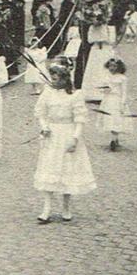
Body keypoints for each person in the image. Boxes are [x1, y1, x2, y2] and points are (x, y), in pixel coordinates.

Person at [33, 63, 97, 223]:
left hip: (68, 133)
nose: (53, 81)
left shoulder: (75, 95)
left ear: (64, 78)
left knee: (67, 169)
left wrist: (75, 138)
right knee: (49, 168)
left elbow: (80, 119)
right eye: (52, 78)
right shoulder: (48, 92)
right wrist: (44, 127)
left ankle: (66, 207)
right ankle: (46, 209)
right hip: (52, 135)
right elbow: (40, 112)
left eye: (56, 78)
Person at [97, 58, 131, 152]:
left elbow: (124, 91)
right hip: (108, 100)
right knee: (109, 119)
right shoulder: (105, 77)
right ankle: (114, 138)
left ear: (119, 67)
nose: (112, 68)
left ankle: (114, 139)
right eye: (111, 66)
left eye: (115, 66)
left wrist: (123, 102)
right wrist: (104, 90)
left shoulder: (122, 78)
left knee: (117, 119)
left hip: (117, 100)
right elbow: (101, 88)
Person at [81, 22, 116, 102]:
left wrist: (101, 38)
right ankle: (93, 94)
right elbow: (89, 40)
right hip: (95, 51)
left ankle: (106, 93)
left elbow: (112, 40)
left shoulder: (110, 28)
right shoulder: (92, 27)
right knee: (94, 71)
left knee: (105, 70)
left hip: (106, 50)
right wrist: (98, 35)